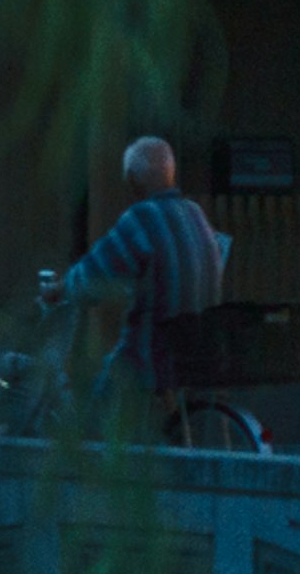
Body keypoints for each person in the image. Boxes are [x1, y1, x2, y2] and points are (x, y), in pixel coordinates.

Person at [59, 135, 229, 393]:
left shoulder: (142, 218)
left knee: (95, 409)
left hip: (150, 360)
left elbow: (91, 277)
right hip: (198, 358)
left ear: (132, 180)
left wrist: (60, 288)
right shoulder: (195, 214)